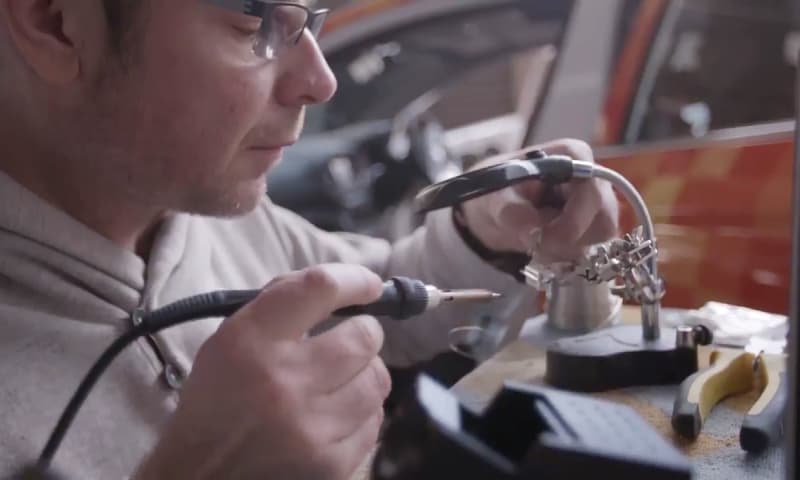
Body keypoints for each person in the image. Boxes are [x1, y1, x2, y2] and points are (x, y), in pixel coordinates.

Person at [0, 1, 619, 478]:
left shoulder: (211, 210)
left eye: (309, 20)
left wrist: (485, 227)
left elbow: (385, 300)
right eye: (258, 25)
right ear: (57, 22)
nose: (321, 83)